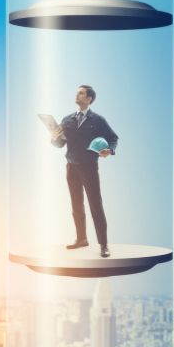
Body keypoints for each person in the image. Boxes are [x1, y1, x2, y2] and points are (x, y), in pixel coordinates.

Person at [50, 85, 118, 258]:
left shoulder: (98, 120)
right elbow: (60, 144)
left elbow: (113, 138)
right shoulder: (67, 120)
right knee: (76, 205)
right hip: (71, 167)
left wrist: (109, 150)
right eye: (77, 92)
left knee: (96, 205)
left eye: (81, 93)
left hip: (89, 167)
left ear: (89, 99)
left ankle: (103, 245)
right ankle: (81, 239)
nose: (77, 95)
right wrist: (54, 138)